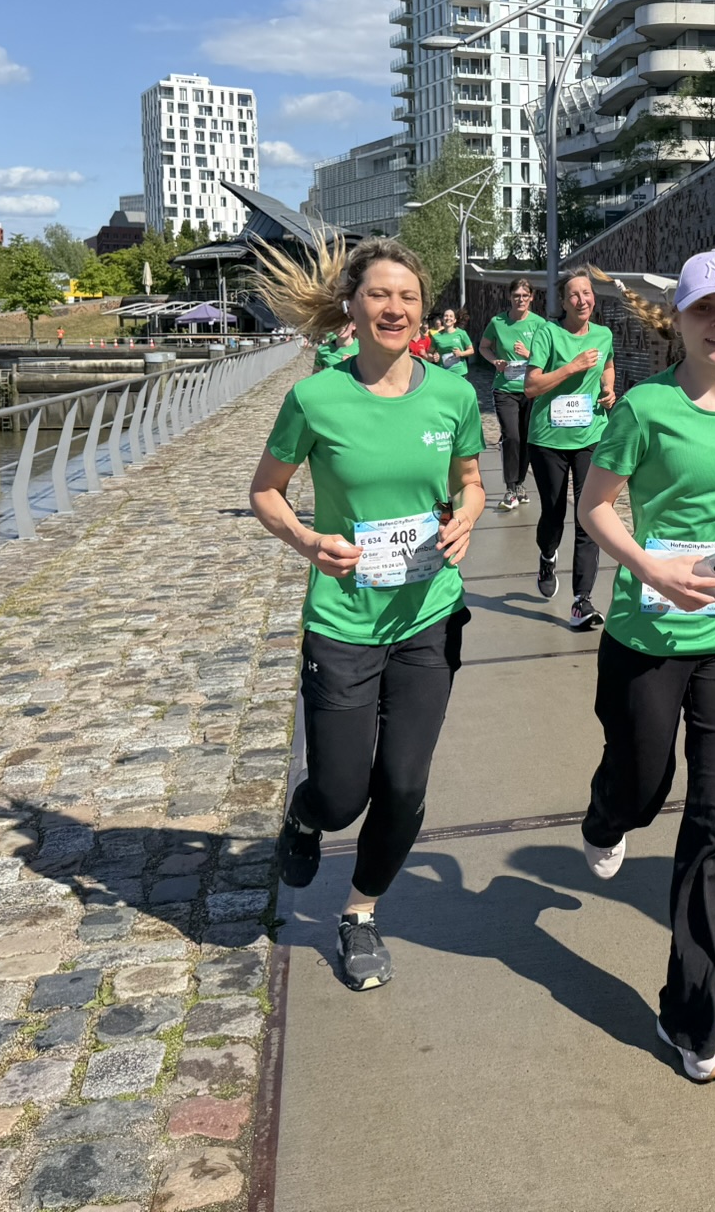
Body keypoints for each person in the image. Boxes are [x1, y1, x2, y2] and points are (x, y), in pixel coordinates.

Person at [576, 250, 715, 1084]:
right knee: (641, 788)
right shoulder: (645, 407)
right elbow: (595, 505)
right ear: (681, 316)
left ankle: (692, 1016)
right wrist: (648, 568)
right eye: (706, 309)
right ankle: (605, 818)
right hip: (646, 634)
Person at [248, 235, 485, 992]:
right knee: (344, 790)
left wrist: (467, 518)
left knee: (406, 785)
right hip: (345, 620)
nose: (394, 307)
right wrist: (310, 540)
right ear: (352, 306)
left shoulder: (452, 393)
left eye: (408, 296)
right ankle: (308, 815)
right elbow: (266, 491)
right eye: (380, 294)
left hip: (427, 616)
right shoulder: (317, 397)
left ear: (423, 310)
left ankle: (359, 915)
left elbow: (472, 480)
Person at [524, 267, 616, 631]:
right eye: (574, 294)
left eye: (587, 293)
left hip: (592, 435)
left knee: (589, 514)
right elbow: (531, 386)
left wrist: (608, 389)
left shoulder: (604, 335)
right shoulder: (549, 334)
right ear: (563, 302)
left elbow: (607, 366)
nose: (582, 299)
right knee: (553, 511)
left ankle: (582, 600)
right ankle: (547, 555)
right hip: (548, 439)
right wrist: (572, 366)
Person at [479, 279, 545, 512]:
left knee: (527, 438)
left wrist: (530, 353)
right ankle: (510, 487)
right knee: (512, 436)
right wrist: (494, 361)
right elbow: (484, 346)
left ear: (531, 298)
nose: (520, 299)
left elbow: (548, 355)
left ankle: (520, 485)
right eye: (516, 295)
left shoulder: (539, 323)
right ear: (510, 297)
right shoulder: (498, 322)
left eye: (525, 295)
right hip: (505, 388)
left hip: (530, 388)